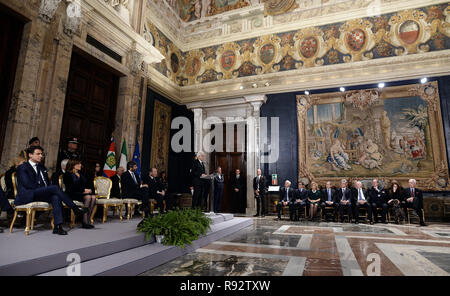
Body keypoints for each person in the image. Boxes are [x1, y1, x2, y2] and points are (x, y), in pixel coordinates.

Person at [14, 146, 87, 235]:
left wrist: (47, 190)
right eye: (38, 154)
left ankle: (58, 226)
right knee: (55, 188)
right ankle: (75, 208)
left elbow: (47, 183)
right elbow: (28, 185)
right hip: (28, 194)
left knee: (56, 196)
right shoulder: (22, 167)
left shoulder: (42, 167)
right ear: (30, 155)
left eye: (41, 154)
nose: (41, 156)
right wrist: (46, 189)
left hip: (40, 194)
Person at [63, 159, 96, 229]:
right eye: (78, 164)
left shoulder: (81, 174)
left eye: (80, 164)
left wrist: (88, 190)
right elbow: (70, 187)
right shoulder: (67, 174)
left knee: (93, 197)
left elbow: (84, 185)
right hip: (71, 194)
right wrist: (84, 190)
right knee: (88, 197)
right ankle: (84, 221)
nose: (80, 165)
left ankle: (87, 219)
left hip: (80, 193)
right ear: (73, 165)